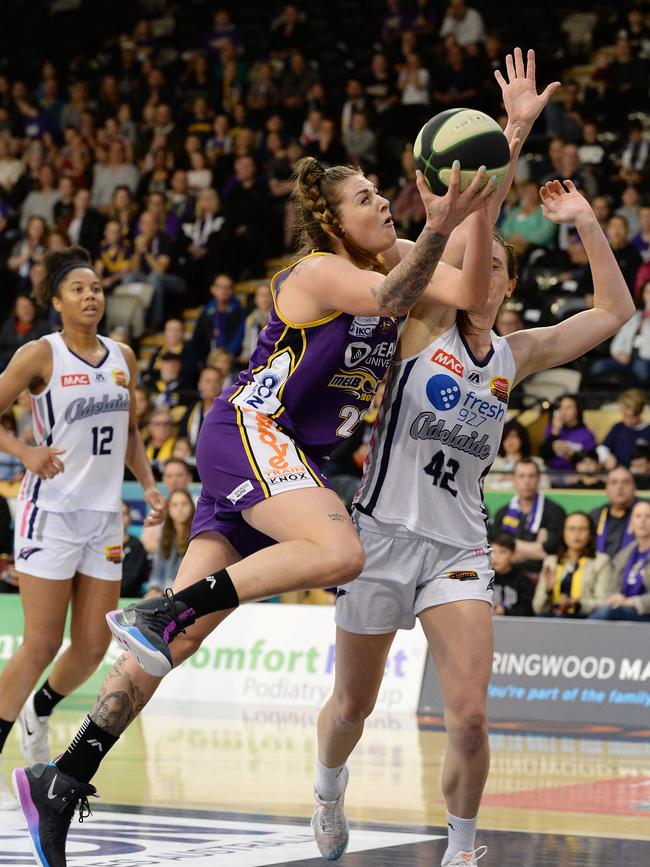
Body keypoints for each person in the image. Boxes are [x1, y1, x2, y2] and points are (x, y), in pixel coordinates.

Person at [13, 128, 499, 859]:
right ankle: (167, 605)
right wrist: (439, 222)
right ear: (335, 220)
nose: (384, 203)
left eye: (380, 190)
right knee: (340, 550)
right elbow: (393, 294)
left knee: (167, 650)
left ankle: (65, 771)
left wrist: (502, 151)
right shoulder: (320, 269)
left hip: (285, 462)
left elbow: (474, 286)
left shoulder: (398, 256)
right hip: (248, 431)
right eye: (366, 197)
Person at [309, 51, 633, 867]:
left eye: (495, 269)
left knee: (472, 716)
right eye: (471, 265)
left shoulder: (513, 356)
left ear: (507, 287)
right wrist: (511, 133)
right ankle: (328, 783)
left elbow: (616, 309)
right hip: (380, 535)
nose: (479, 271)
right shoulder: (420, 321)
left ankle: (459, 850)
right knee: (352, 701)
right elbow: (469, 213)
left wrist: (587, 220)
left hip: (456, 547)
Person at [0, 246, 165, 810]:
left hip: (104, 518)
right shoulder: (38, 354)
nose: (91, 295)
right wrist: (24, 451)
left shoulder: (122, 355)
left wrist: (146, 483)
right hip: (52, 511)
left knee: (94, 647)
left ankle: (39, 710)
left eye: (96, 287)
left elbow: (132, 428)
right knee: (42, 640)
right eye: (78, 289)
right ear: (56, 301)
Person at [492, 459, 566, 580]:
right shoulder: (502, 512)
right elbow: (496, 548)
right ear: (514, 479)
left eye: (531, 476)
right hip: (505, 578)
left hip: (540, 575)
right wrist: (535, 548)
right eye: (522, 476)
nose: (527, 481)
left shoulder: (555, 511)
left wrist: (510, 546)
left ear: (539, 479)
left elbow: (549, 550)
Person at [532, 512, 614, 617]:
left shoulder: (601, 561)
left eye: (582, 529)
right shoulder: (551, 562)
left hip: (584, 619)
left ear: (590, 534)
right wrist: (548, 592)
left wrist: (577, 604)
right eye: (571, 529)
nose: (576, 534)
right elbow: (537, 608)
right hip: (555, 617)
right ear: (563, 533)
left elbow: (604, 603)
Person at [589, 500, 650, 622]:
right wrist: (615, 597)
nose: (642, 521)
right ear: (631, 523)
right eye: (638, 516)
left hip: (644, 612)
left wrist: (631, 602)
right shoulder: (625, 554)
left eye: (648, 516)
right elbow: (612, 586)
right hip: (624, 609)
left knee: (605, 613)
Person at [144, 489, 195, 597]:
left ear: (192, 507)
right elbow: (157, 574)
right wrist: (154, 589)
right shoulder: (166, 536)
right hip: (165, 594)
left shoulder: (198, 537)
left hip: (188, 594)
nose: (180, 508)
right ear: (169, 509)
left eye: (184, 504)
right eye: (175, 505)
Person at [539, 394, 597, 475]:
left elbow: (591, 461)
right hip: (551, 473)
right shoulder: (552, 428)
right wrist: (554, 433)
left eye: (568, 407)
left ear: (577, 410)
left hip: (576, 474)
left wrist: (571, 454)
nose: (563, 411)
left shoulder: (586, 433)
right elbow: (543, 454)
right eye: (561, 407)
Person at [589, 466, 637, 559]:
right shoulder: (595, 516)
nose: (620, 487)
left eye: (626, 482)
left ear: (634, 487)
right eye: (614, 482)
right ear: (606, 489)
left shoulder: (644, 514)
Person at [598, 389, 650, 470]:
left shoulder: (648, 430)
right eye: (625, 415)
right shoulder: (618, 428)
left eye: (632, 416)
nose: (628, 420)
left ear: (640, 411)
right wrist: (606, 458)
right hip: (619, 472)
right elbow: (603, 447)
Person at [490, 532, 534, 616]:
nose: (496, 556)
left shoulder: (522, 581)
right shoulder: (484, 578)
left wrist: (505, 612)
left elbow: (527, 611)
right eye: (493, 551)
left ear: (512, 555)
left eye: (502, 552)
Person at [119, 502, 149, 598]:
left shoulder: (136, 546)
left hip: (129, 600)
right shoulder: (105, 546)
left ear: (129, 518)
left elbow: (129, 582)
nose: (119, 519)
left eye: (123, 514)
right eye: (116, 515)